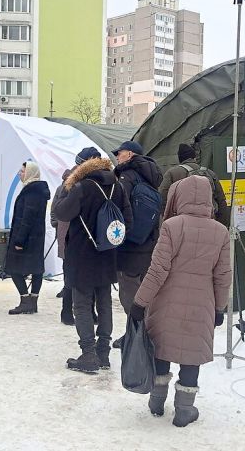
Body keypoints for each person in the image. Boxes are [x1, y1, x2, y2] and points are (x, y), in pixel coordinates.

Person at [131, 175, 232, 428]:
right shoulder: (221, 232)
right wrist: (220, 308)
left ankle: (156, 401)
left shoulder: (172, 226)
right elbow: (223, 275)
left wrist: (140, 302)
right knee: (191, 356)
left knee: (162, 349)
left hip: (166, 301)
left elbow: (157, 269)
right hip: (202, 304)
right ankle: (184, 410)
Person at [53, 155, 132, 373]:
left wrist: (67, 188)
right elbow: (128, 219)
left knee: (82, 304)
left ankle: (88, 354)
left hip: (81, 254)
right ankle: (103, 353)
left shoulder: (82, 187)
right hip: (107, 253)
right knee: (104, 302)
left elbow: (62, 212)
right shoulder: (118, 187)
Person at [111, 141, 164, 349]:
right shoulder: (150, 175)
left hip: (130, 245)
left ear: (130, 154)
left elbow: (118, 207)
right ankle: (141, 333)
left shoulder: (127, 176)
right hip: (148, 241)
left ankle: (136, 338)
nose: (117, 156)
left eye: (120, 152)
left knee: (129, 294)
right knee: (145, 291)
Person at [52, 147, 102, 326]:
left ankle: (89, 311)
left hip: (81, 235)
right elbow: (56, 208)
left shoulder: (89, 180)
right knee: (71, 276)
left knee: (86, 274)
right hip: (71, 236)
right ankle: (67, 312)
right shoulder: (71, 182)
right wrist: (59, 226)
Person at [4, 161, 51, 315]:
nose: (20, 173)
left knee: (14, 268)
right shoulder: (37, 191)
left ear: (30, 173)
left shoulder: (31, 192)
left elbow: (27, 218)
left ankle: (26, 301)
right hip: (36, 238)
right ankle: (33, 302)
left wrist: (19, 240)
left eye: (22, 171)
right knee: (36, 269)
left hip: (26, 238)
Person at [158, 143, 229, 224]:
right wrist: (222, 224)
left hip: (182, 223)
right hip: (208, 222)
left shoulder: (172, 173)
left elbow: (162, 199)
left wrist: (168, 221)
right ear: (195, 158)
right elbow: (221, 200)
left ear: (180, 159)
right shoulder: (209, 173)